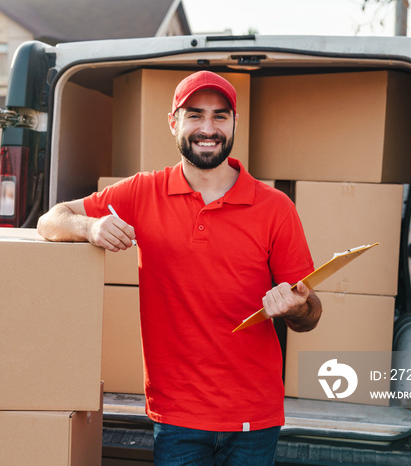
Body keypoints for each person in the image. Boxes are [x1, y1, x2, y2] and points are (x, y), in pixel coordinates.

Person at [38, 70, 322, 465]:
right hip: (178, 418)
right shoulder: (142, 192)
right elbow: (49, 220)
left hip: (254, 418)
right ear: (174, 122)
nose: (208, 128)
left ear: (235, 123)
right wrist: (91, 226)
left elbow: (310, 314)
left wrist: (296, 307)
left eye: (221, 116)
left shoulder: (275, 208)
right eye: (195, 115)